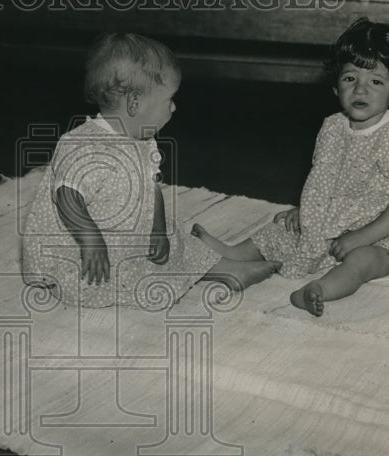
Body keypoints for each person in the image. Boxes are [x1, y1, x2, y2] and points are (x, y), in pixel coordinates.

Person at [21, 32, 280, 309]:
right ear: (135, 104)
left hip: (128, 235)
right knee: (131, 276)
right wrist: (91, 240)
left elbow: (150, 189)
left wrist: (156, 228)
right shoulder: (85, 145)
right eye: (169, 99)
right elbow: (67, 196)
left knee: (173, 240)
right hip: (87, 250)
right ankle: (221, 269)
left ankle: (227, 267)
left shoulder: (142, 141)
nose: (174, 106)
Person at [193, 18, 389, 316]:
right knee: (278, 232)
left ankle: (318, 290)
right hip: (329, 223)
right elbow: (325, 180)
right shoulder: (332, 127)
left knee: (364, 261)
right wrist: (309, 210)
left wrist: (361, 236)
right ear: (335, 86)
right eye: (349, 79)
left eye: (376, 81)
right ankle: (233, 254)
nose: (360, 89)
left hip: (380, 233)